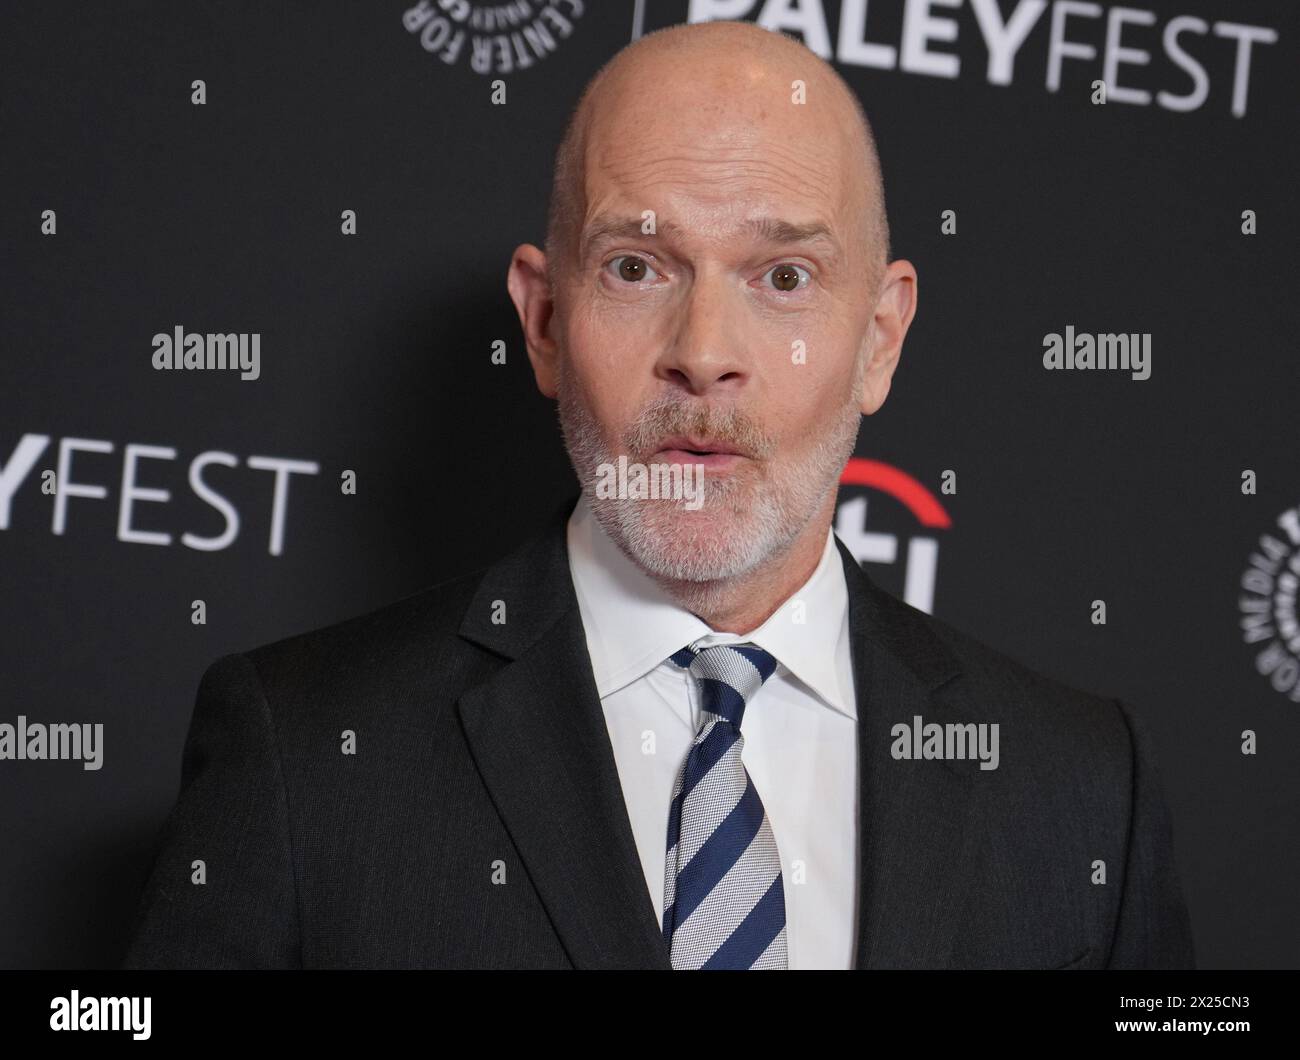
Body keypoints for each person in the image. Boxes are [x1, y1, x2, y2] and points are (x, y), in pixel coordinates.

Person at [123, 20, 1194, 970]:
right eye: (637, 266)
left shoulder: (1083, 786)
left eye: (783, 277)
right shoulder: (302, 753)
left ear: (879, 339)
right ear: (543, 321)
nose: (704, 354)